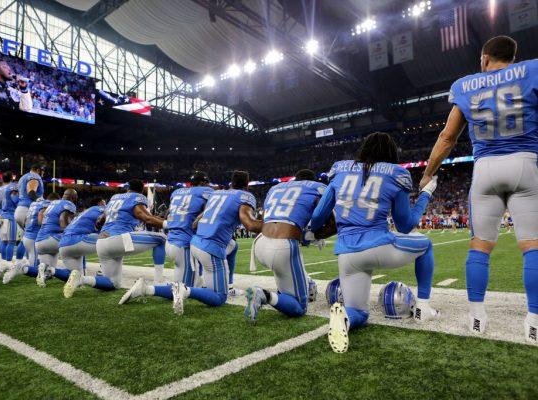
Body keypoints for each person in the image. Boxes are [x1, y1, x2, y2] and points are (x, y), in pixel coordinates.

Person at [419, 36, 538, 344]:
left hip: (485, 168)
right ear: (512, 56)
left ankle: (476, 316)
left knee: (479, 247)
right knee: (533, 247)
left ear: (485, 58)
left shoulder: (467, 84)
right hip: (525, 162)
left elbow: (447, 138)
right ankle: (534, 321)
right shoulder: (531, 70)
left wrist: (428, 173)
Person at [310, 132, 440, 353]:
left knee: (359, 312)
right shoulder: (396, 173)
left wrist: (317, 233)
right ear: (391, 153)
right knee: (425, 245)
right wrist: (426, 194)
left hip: (347, 255)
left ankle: (346, 320)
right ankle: (423, 307)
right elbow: (405, 225)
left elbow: (316, 219)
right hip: (379, 246)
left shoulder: (339, 170)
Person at [164, 171, 261, 315]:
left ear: (231, 183)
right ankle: (186, 290)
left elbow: (195, 223)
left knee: (233, 246)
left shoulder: (216, 194)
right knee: (218, 297)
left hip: (193, 242)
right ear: (247, 184)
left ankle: (150, 289)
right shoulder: (244, 196)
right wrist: (275, 225)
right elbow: (250, 225)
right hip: (209, 247)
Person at [244, 169, 326, 322]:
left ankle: (280, 294)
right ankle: (264, 295)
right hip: (282, 246)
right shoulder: (317, 187)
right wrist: (315, 234)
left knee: (286, 281)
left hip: (260, 242)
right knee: (300, 307)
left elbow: (267, 218)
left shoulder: (275, 188)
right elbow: (325, 219)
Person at [119, 172, 213, 305]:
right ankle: (145, 289)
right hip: (184, 244)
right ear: (203, 183)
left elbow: (169, 213)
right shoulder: (206, 191)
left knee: (186, 284)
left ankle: (149, 289)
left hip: (171, 241)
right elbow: (211, 213)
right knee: (183, 289)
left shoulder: (177, 192)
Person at [63, 179, 166, 298]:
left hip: (101, 243)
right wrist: (168, 223)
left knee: (113, 283)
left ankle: (81, 279)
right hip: (118, 239)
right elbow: (147, 218)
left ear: (127, 188)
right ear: (141, 190)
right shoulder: (137, 197)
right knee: (162, 238)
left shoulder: (114, 198)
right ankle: (159, 282)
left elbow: (99, 221)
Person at [2, 192, 58, 284]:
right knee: (35, 268)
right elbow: (41, 220)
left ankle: (46, 273)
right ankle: (16, 268)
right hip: (33, 236)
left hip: (27, 234)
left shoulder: (33, 204)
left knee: (37, 262)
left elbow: (25, 219)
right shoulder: (47, 204)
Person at [56, 197, 106, 295]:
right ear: (100, 203)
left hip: (63, 245)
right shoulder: (98, 209)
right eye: (104, 203)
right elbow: (107, 218)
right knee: (110, 239)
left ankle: (50, 270)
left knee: (76, 278)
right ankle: (103, 271)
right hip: (77, 240)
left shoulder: (83, 213)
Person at [34, 189, 78, 287]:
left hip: (39, 241)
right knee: (77, 243)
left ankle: (41, 268)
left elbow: (40, 220)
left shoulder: (52, 203)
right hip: (52, 238)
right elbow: (63, 220)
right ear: (73, 197)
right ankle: (79, 273)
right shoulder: (68, 204)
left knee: (49, 272)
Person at [13, 164, 45, 267]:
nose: (43, 173)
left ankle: (19, 263)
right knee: (32, 239)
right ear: (37, 170)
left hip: (20, 209)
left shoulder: (23, 177)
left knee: (25, 239)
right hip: (28, 210)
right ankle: (32, 266)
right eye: (42, 171)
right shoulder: (34, 176)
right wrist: (40, 201)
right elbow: (31, 191)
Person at [0, 172, 18, 280]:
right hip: (10, 216)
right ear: (12, 178)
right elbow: (15, 200)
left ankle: (0, 266)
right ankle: (8, 266)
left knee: (3, 241)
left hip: (1, 215)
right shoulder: (13, 187)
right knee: (11, 242)